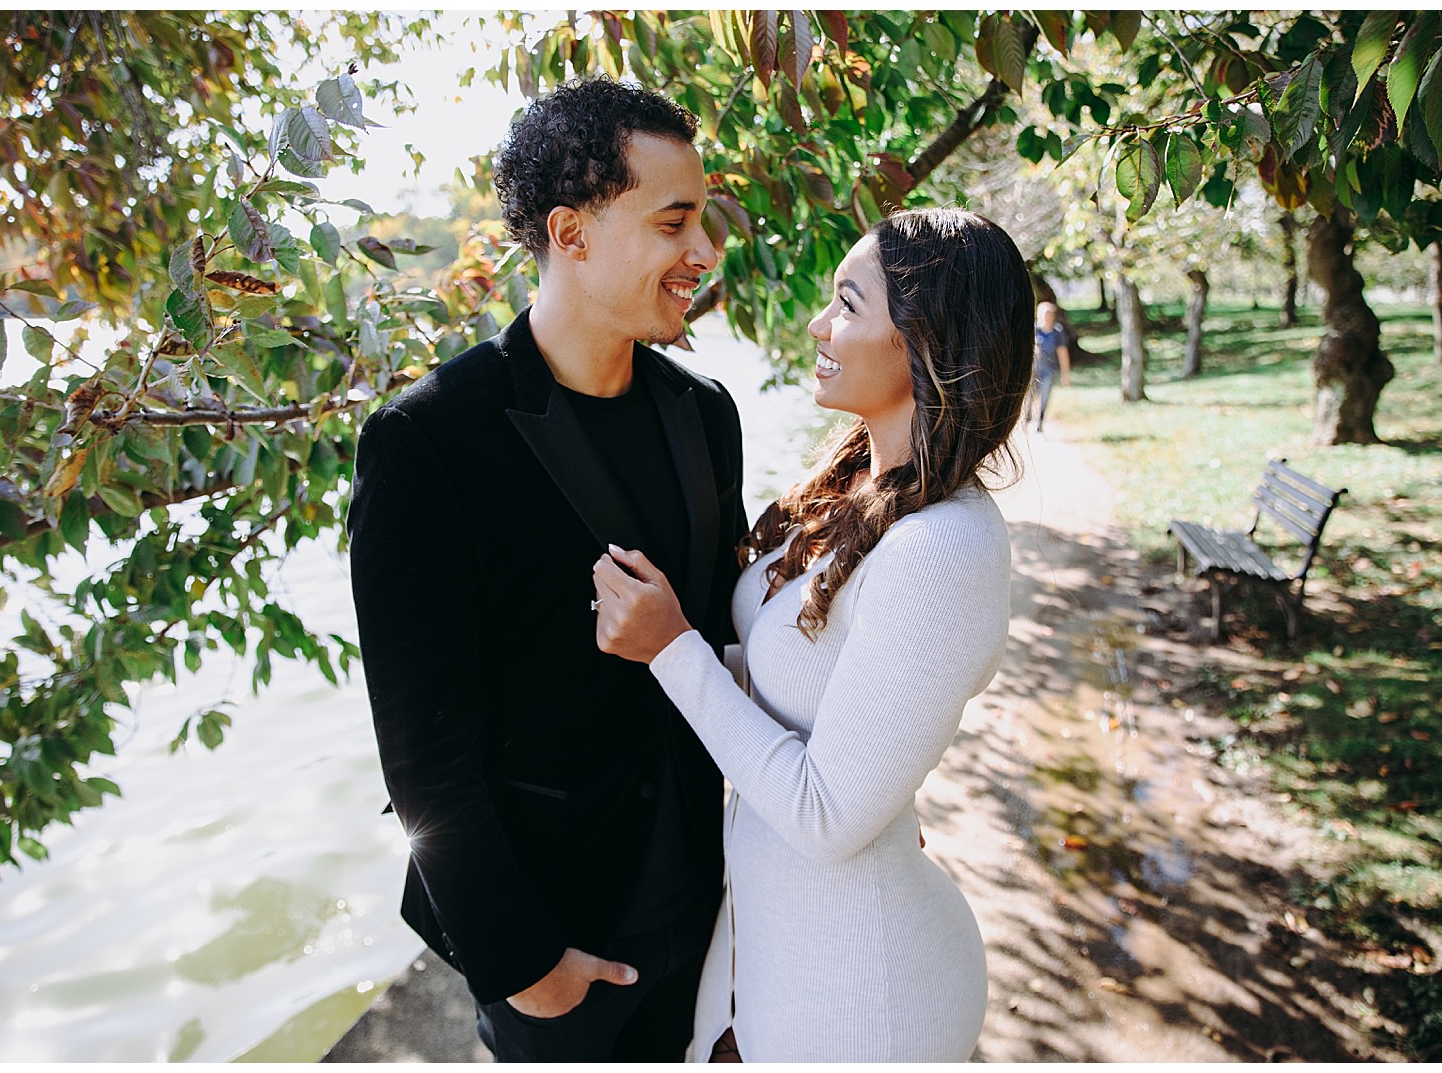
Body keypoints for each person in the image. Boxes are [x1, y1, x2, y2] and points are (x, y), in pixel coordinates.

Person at [346, 77, 748, 1062]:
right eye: (673, 223)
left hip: (714, 904)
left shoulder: (707, 413)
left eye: (702, 222)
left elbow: (728, 638)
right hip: (557, 943)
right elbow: (422, 752)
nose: (703, 253)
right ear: (569, 234)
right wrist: (525, 964)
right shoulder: (425, 439)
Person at [592, 208, 1034, 1061]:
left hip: (862, 992)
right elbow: (797, 686)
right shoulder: (862, 484)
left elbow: (830, 814)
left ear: (922, 341)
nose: (817, 324)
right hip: (762, 943)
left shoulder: (945, 545)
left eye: (847, 303)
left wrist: (673, 650)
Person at [1025, 299, 1071, 431]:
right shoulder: (1034, 329)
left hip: (1048, 371)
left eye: (1049, 314)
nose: (1046, 317)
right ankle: (1027, 417)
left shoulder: (1057, 332)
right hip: (1033, 370)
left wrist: (1065, 374)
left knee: (1045, 395)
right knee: (1030, 395)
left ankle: (1040, 421)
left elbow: (1063, 353)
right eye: (1044, 314)